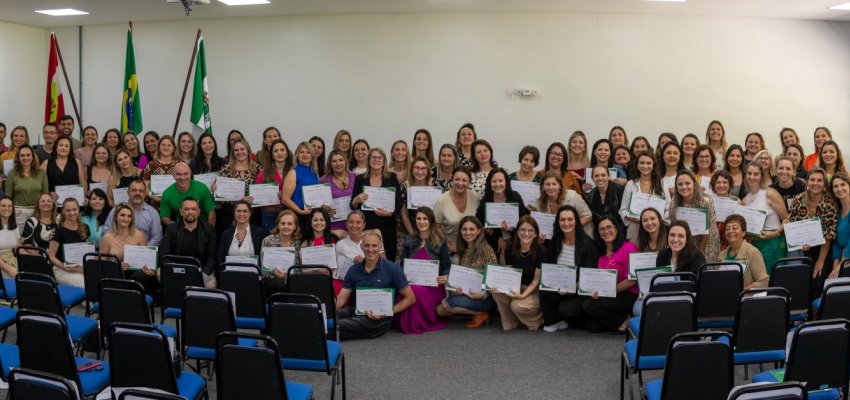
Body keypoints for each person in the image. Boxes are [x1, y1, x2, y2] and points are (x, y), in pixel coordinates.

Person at [335, 231, 415, 339]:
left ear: (380, 247)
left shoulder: (393, 269)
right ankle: (324, 328)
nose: (370, 249)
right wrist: (328, 310)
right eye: (367, 245)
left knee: (335, 325)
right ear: (362, 247)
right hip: (357, 310)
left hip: (378, 319)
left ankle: (325, 328)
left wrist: (387, 312)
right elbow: (341, 299)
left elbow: (410, 298)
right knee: (327, 315)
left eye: (374, 246)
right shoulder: (354, 269)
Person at [539, 205, 599, 332]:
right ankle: (553, 321)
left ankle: (576, 319)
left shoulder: (588, 245)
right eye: (562, 220)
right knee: (543, 287)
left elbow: (589, 277)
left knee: (566, 310)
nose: (566, 223)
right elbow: (550, 268)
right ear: (558, 222)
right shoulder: (555, 241)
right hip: (560, 286)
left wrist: (570, 288)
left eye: (570, 219)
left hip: (578, 289)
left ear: (576, 221)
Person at [632, 221, 705, 316]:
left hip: (685, 299)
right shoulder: (663, 255)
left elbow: (694, 287)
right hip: (663, 295)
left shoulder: (696, 257)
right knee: (637, 309)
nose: (675, 239)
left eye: (681, 236)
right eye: (672, 235)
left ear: (687, 238)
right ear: (667, 237)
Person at [396, 207, 451, 334]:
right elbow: (402, 264)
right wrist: (402, 274)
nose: (421, 222)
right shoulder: (409, 240)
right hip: (412, 282)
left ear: (431, 221)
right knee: (411, 289)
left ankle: (415, 324)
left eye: (425, 219)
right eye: (418, 219)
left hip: (433, 285)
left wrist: (446, 276)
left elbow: (446, 265)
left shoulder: (441, 242)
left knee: (415, 291)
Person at [435, 216, 495, 328]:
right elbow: (464, 278)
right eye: (464, 229)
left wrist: (481, 295)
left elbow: (494, 280)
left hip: (484, 297)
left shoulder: (486, 250)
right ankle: (479, 314)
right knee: (440, 311)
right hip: (468, 295)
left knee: (444, 305)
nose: (468, 232)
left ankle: (481, 313)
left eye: (472, 229)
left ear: (479, 231)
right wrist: (459, 289)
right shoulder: (463, 250)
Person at [787, 168, 838, 297]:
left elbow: (828, 235)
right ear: (807, 182)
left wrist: (820, 260)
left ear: (824, 184)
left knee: (818, 279)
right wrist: (800, 244)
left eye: (819, 180)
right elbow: (793, 226)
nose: (815, 183)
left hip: (823, 249)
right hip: (802, 248)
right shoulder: (798, 199)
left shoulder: (829, 202)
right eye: (812, 179)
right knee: (801, 282)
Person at [582, 215, 638, 334]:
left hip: (628, 293)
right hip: (609, 293)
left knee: (588, 306)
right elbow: (597, 277)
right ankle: (622, 320)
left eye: (609, 227)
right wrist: (597, 291)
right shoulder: (600, 250)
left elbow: (632, 280)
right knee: (592, 327)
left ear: (616, 229)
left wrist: (608, 291)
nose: (606, 231)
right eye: (601, 229)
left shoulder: (629, 248)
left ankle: (625, 320)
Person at [492, 215, 545, 331]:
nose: (526, 233)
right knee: (496, 293)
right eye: (522, 230)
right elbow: (509, 275)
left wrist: (523, 295)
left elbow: (536, 280)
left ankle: (538, 321)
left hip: (534, 291)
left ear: (536, 234)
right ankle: (512, 321)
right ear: (517, 232)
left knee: (517, 305)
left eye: (530, 230)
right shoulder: (510, 248)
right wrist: (499, 287)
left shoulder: (541, 250)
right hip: (517, 286)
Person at [350, 148, 402, 261]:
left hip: (387, 226)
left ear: (384, 161)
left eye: (379, 158)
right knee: (369, 258)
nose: (376, 160)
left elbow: (399, 201)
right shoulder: (360, 179)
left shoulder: (392, 177)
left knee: (388, 260)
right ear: (368, 160)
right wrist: (356, 200)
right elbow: (352, 204)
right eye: (373, 157)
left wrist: (390, 213)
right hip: (368, 226)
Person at [99, 204, 157, 295]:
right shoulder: (107, 237)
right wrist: (117, 266)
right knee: (114, 275)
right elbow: (102, 263)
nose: (126, 219)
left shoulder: (139, 235)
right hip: (116, 272)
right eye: (122, 215)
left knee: (139, 276)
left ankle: (136, 302)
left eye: (129, 216)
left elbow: (146, 260)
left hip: (136, 273)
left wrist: (150, 270)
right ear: (115, 217)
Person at [740, 162, 788, 272]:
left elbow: (787, 219)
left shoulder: (769, 193)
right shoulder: (744, 200)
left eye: (756, 174)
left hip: (774, 241)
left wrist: (776, 233)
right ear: (745, 175)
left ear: (761, 176)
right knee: (759, 276)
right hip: (756, 243)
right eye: (749, 174)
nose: (752, 177)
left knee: (773, 276)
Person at [160, 197, 218, 288]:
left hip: (200, 270)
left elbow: (212, 257)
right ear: (181, 212)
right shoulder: (171, 229)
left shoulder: (209, 229)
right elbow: (164, 254)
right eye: (186, 209)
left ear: (198, 212)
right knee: (160, 273)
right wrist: (175, 269)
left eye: (193, 209)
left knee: (210, 284)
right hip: (176, 268)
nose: (190, 212)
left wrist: (202, 273)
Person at [475, 168, 528, 262]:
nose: (497, 184)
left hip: (516, 240)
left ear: (506, 182)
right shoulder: (485, 201)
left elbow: (525, 222)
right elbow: (478, 223)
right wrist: (495, 236)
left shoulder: (515, 197)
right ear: (489, 184)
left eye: (500, 180)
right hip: (492, 243)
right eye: (494, 181)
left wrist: (511, 230)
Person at [668, 170, 722, 262]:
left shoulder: (705, 201)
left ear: (694, 185)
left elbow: (706, 230)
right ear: (676, 188)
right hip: (686, 241)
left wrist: (700, 251)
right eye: (680, 184)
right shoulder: (674, 203)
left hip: (706, 241)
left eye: (687, 183)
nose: (684, 187)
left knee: (703, 269)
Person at [213, 138, 260, 236]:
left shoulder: (258, 168)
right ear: (233, 153)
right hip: (232, 214)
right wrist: (215, 190)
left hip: (254, 214)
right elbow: (220, 198)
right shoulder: (226, 169)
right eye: (236, 150)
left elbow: (263, 192)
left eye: (242, 149)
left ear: (248, 150)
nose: (239, 152)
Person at [530, 171, 594, 237]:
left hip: (581, 235)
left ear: (560, 186)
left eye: (554, 184)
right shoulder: (539, 202)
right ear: (543, 187)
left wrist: (571, 226)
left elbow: (588, 216)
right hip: (558, 237)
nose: (551, 187)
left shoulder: (572, 196)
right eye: (547, 184)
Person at [619, 151, 664, 243]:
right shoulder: (631, 184)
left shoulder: (662, 184)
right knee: (634, 256)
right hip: (635, 228)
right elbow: (623, 210)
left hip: (656, 229)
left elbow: (667, 208)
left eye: (648, 163)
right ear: (637, 165)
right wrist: (638, 220)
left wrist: (652, 221)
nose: (645, 166)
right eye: (642, 163)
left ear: (653, 165)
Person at [434, 167, 480, 255]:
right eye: (457, 179)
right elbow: (436, 227)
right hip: (452, 249)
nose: (460, 183)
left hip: (473, 247)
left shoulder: (475, 197)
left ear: (469, 183)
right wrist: (447, 244)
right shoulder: (441, 200)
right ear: (452, 180)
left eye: (464, 180)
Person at [103, 178, 162, 246]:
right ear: (128, 193)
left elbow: (157, 238)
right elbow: (106, 231)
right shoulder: (116, 210)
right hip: (118, 250)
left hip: (143, 253)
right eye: (134, 190)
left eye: (141, 191)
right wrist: (117, 245)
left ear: (145, 194)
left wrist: (141, 250)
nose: (137, 193)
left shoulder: (153, 213)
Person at [718, 214, 769, 289]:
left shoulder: (752, 252)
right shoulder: (721, 255)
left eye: (734, 228)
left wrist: (742, 291)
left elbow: (764, 282)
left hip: (746, 297)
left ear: (744, 232)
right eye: (727, 228)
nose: (730, 231)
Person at [47, 198, 90, 288]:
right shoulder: (58, 231)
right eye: (68, 210)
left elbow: (86, 250)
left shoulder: (85, 228)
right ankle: (86, 302)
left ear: (78, 209)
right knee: (84, 284)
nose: (72, 213)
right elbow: (51, 256)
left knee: (96, 279)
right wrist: (65, 267)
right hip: (61, 269)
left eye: (74, 209)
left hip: (80, 266)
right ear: (63, 211)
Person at [260, 210, 302, 298]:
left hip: (292, 281)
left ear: (295, 226)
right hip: (271, 282)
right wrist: (273, 272)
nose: (286, 227)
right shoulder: (268, 241)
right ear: (278, 225)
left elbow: (299, 270)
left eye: (289, 224)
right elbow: (264, 270)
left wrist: (288, 275)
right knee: (278, 283)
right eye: (283, 223)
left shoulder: (299, 244)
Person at [5, 145, 48, 230]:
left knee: (37, 241)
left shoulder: (41, 173)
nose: (25, 158)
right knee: (19, 241)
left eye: (28, 155)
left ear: (32, 157)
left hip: (37, 213)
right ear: (18, 157)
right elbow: (8, 198)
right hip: (18, 213)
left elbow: (45, 195)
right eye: (22, 155)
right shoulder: (12, 173)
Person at [281, 141, 320, 231]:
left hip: (312, 215)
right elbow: (285, 199)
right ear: (297, 155)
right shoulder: (293, 172)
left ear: (312, 155)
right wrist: (301, 212)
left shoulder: (315, 173)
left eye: (308, 152)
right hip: (298, 215)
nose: (305, 155)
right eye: (302, 152)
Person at [257, 139, 292, 234]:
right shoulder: (264, 172)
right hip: (269, 213)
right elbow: (258, 195)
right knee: (270, 243)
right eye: (276, 151)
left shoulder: (293, 171)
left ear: (287, 153)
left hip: (288, 213)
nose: (279, 153)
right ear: (272, 155)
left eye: (282, 150)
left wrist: (286, 195)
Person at [217, 201, 264, 267]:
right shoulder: (226, 233)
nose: (241, 214)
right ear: (234, 213)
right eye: (238, 211)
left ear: (250, 213)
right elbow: (220, 259)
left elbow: (262, 259)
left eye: (245, 211)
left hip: (252, 275)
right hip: (230, 275)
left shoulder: (260, 233)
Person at [318, 150, 353, 237]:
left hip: (353, 223)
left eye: (341, 160)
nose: (338, 163)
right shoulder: (323, 180)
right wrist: (324, 209)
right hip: (334, 225)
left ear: (345, 161)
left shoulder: (356, 177)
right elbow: (318, 204)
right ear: (330, 164)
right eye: (334, 161)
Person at [400, 156, 434, 236]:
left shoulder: (435, 185)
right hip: (412, 231)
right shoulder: (404, 186)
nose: (420, 171)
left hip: (433, 233)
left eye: (423, 168)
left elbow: (440, 213)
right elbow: (404, 215)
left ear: (428, 170)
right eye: (417, 168)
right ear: (412, 169)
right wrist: (412, 234)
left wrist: (432, 233)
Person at [141, 135, 178, 205]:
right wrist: (158, 200)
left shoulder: (180, 164)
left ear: (174, 148)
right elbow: (145, 187)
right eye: (163, 145)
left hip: (176, 203)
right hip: (155, 205)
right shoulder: (151, 165)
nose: (166, 147)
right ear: (159, 147)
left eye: (169, 145)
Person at [710, 170, 740, 249]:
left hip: (730, 240)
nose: (721, 185)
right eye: (718, 182)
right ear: (713, 185)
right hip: (712, 242)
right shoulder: (708, 201)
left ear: (730, 185)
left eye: (724, 182)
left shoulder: (737, 201)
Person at [830, 173, 850, 278]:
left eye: (843, 184)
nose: (839, 188)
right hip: (843, 257)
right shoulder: (837, 212)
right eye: (836, 186)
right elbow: (837, 241)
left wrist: (841, 265)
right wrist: (835, 263)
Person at [0, 198, 21, 278]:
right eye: (3, 206)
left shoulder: (14, 225)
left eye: (9, 206)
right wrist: (8, 269)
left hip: (12, 259)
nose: (7, 208)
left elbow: (18, 248)